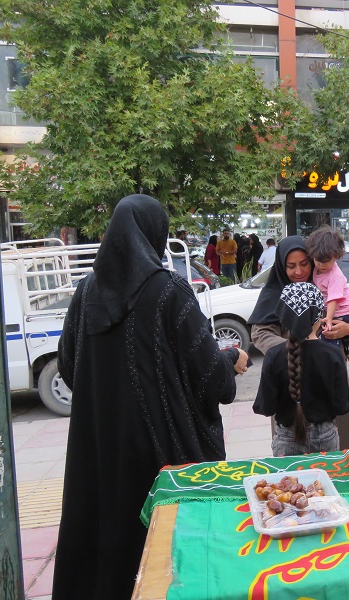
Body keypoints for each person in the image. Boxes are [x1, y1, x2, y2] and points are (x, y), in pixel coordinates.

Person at [52, 194, 250, 600]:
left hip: (99, 449)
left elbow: (69, 367)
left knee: (106, 540)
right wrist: (231, 359)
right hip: (160, 453)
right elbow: (209, 373)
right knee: (165, 551)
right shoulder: (168, 290)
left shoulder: (86, 292)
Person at [248, 235, 349, 448]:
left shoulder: (325, 280)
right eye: (291, 266)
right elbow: (260, 332)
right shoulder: (274, 292)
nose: (298, 272)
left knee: (337, 453)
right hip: (291, 377)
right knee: (293, 456)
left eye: (304, 264)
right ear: (281, 266)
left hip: (326, 376)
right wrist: (295, 351)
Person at [253, 282, 349, 456]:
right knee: (325, 475)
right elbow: (342, 406)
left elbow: (265, 407)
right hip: (325, 439)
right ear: (319, 316)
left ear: (283, 317)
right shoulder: (333, 355)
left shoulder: (273, 356)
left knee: (288, 476)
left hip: (286, 441)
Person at [306, 226, 349, 386]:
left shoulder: (335, 275)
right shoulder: (316, 269)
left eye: (326, 261)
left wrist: (329, 319)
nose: (321, 265)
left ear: (336, 256)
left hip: (345, 313)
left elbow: (333, 300)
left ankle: (337, 375)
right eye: (317, 260)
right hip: (337, 311)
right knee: (345, 341)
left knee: (329, 338)